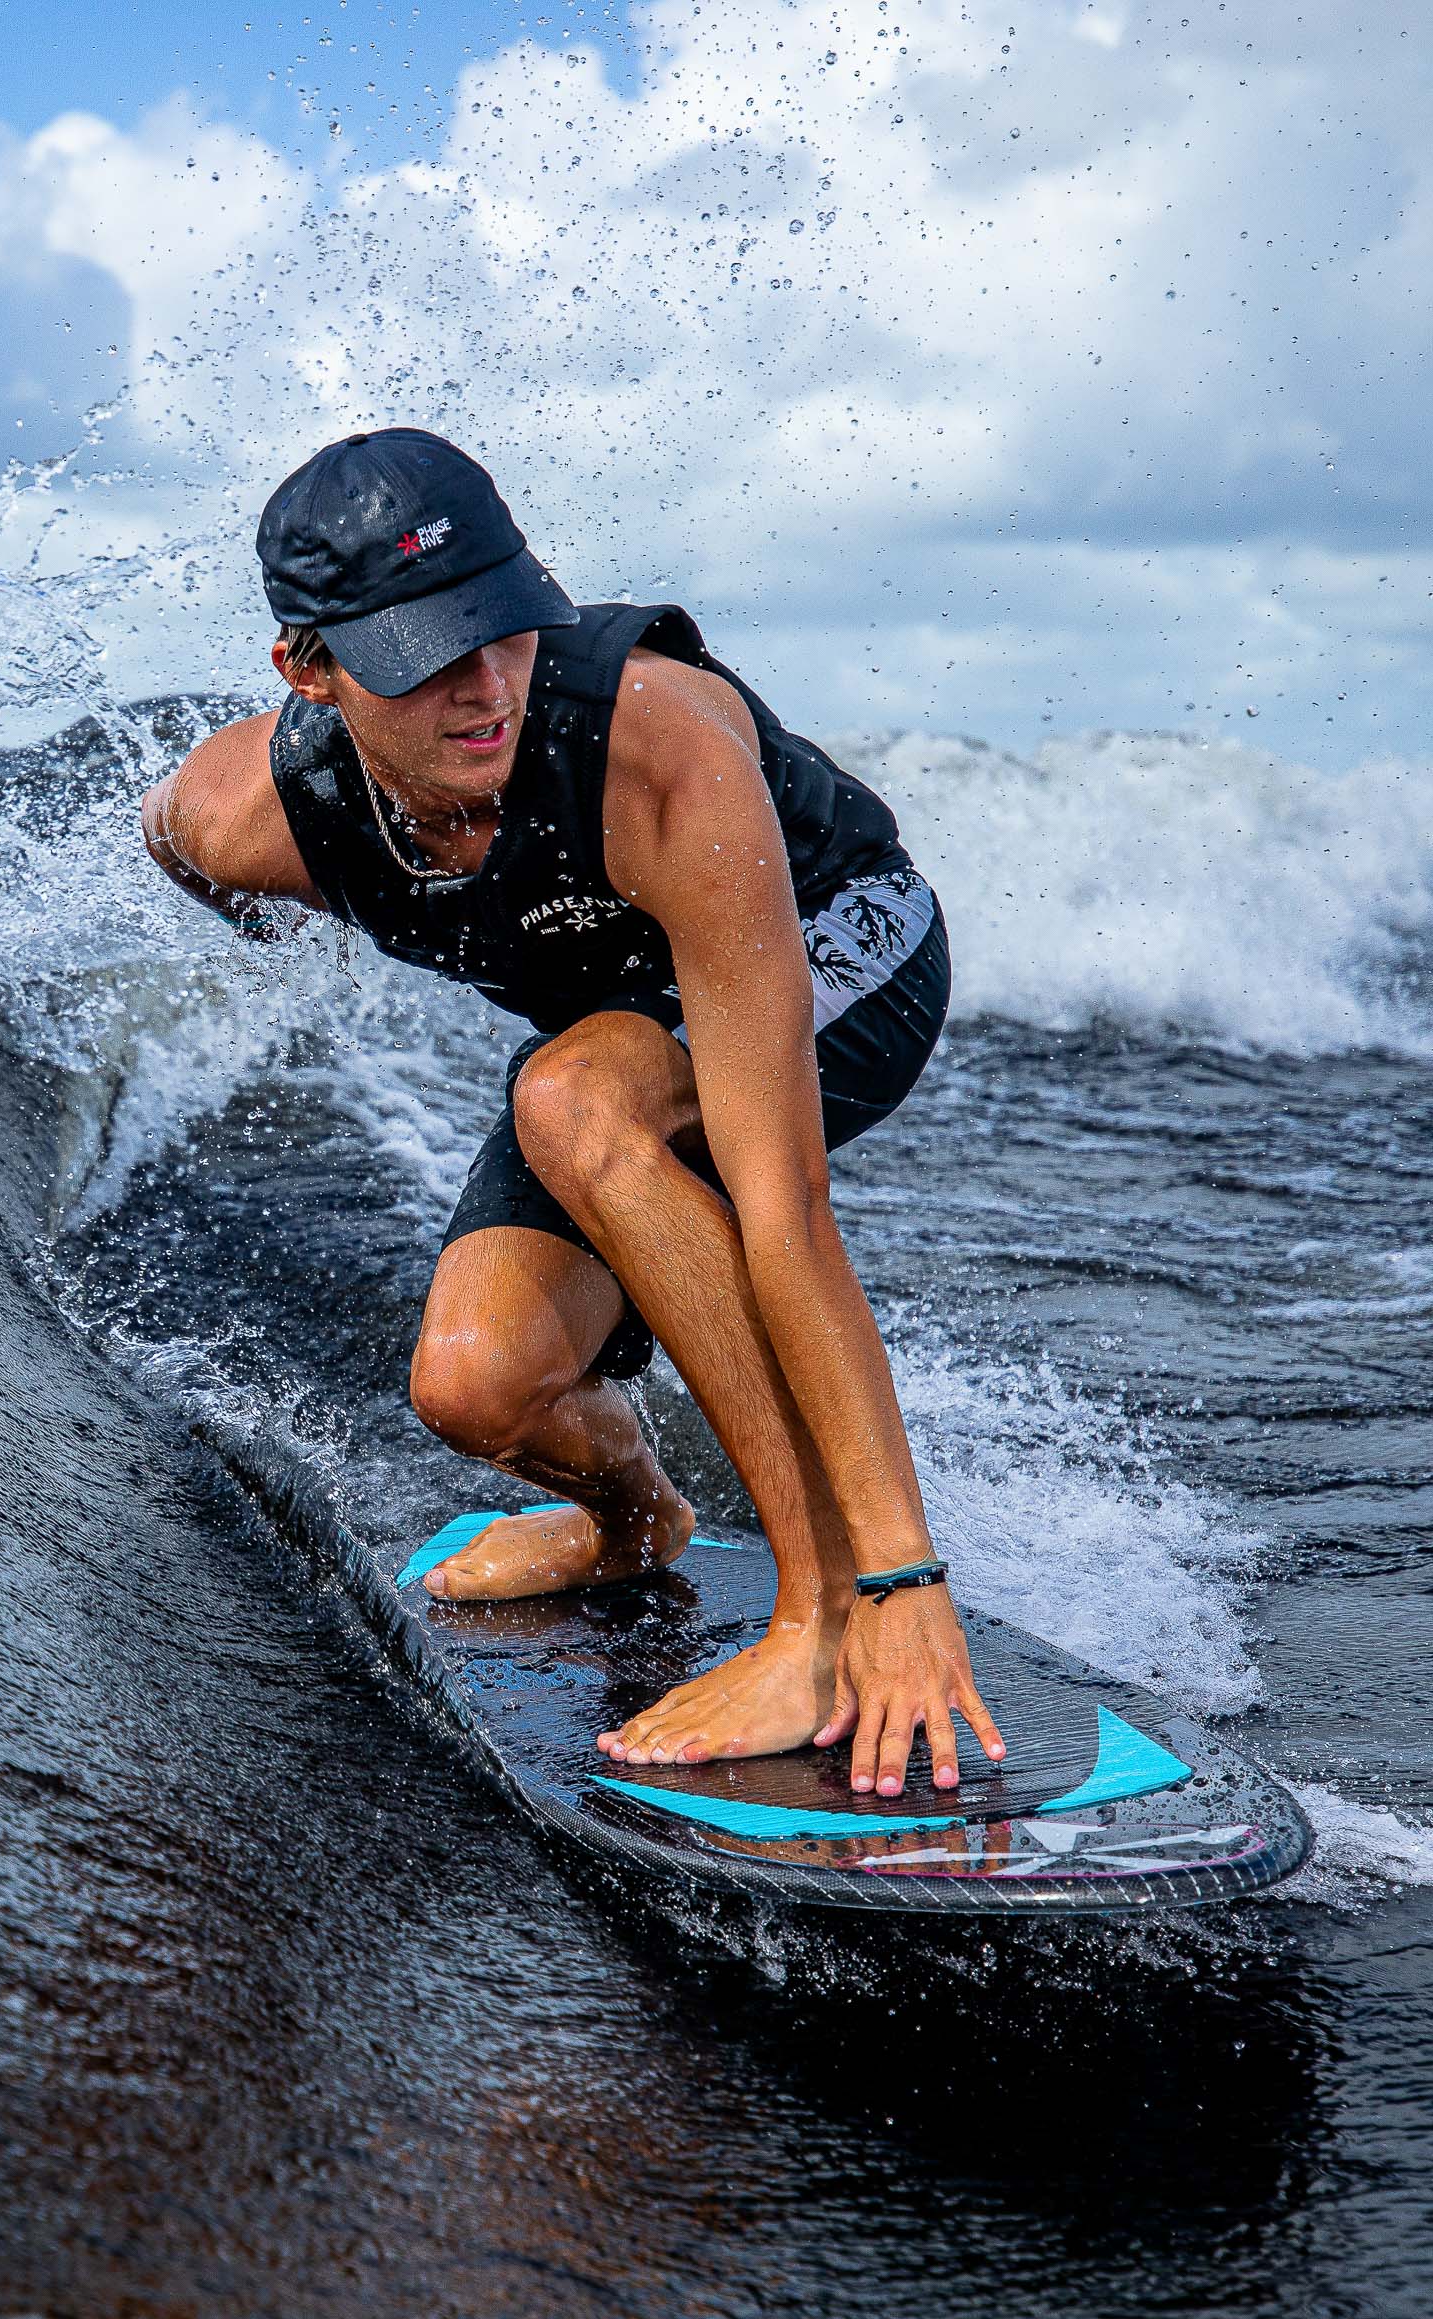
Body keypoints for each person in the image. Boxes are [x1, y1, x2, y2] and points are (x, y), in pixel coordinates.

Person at [138, 428, 997, 1795]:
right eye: (426, 654)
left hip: (846, 952)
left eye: (504, 625)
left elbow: (783, 1206)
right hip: (614, 1039)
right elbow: (177, 845)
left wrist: (897, 1578)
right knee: (474, 1384)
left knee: (576, 1095)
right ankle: (632, 1516)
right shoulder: (259, 818)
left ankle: (821, 1612)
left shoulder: (659, 752)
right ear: (311, 668)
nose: (486, 689)